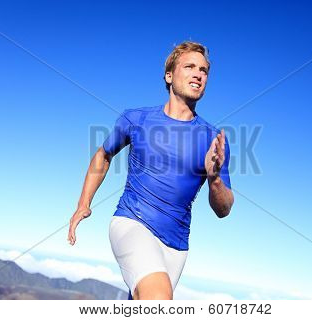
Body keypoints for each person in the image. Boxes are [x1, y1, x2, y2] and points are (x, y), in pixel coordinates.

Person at [67, 41, 234, 300]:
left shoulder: (213, 140)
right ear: (169, 76)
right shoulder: (136, 119)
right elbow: (103, 155)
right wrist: (83, 203)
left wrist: (214, 180)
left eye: (204, 70)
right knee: (158, 300)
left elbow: (224, 209)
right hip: (132, 222)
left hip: (177, 246)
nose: (198, 74)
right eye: (189, 66)